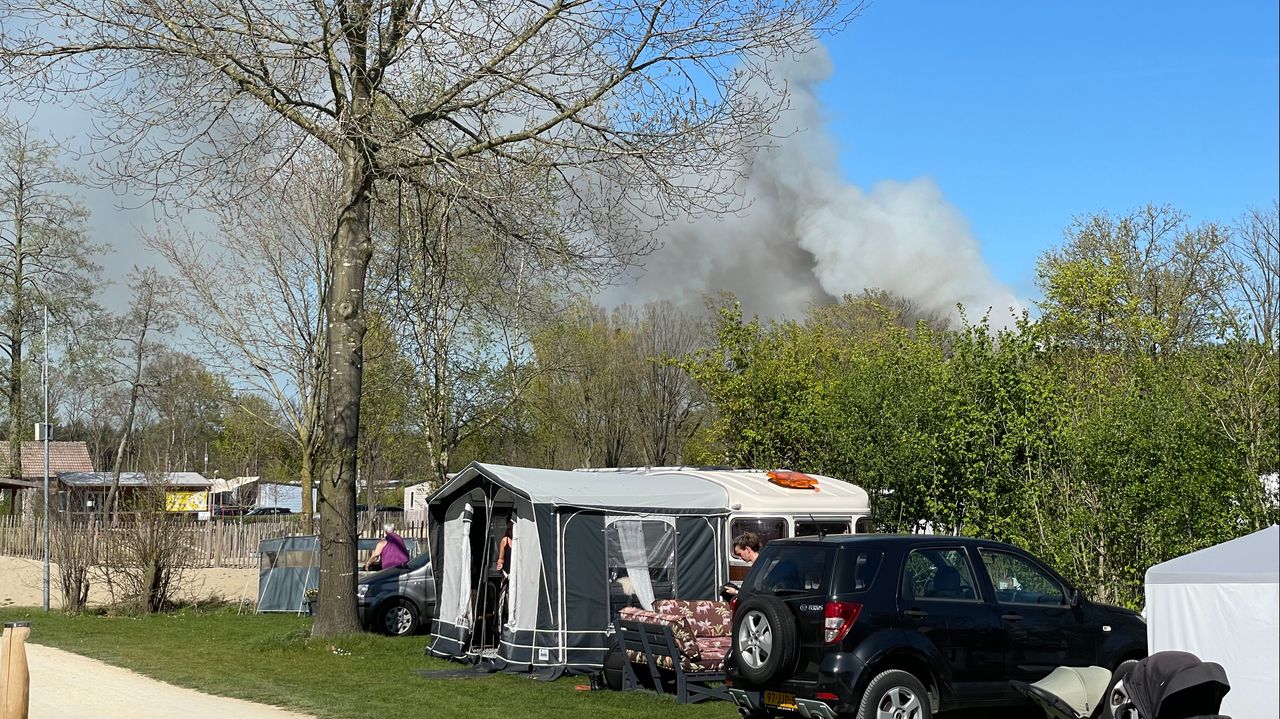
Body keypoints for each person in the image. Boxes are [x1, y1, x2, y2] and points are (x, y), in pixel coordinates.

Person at [721, 531, 762, 598]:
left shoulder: (760, 566)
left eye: (740, 554)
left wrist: (735, 592)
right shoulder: (759, 564)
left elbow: (757, 592)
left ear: (747, 549)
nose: (740, 558)